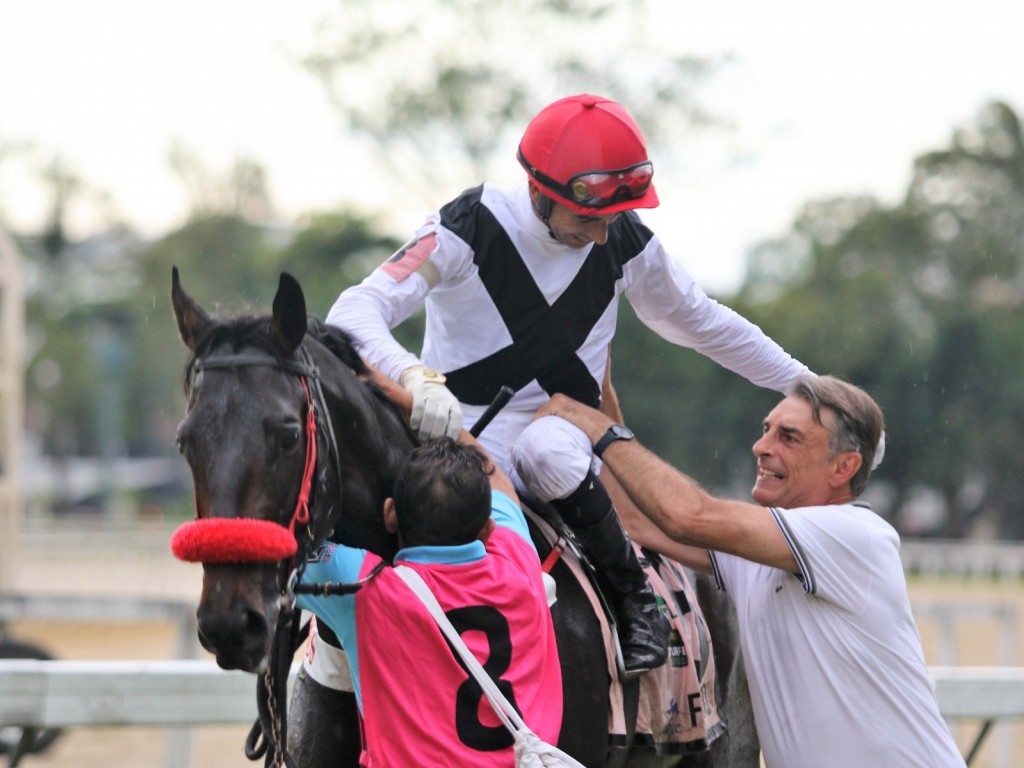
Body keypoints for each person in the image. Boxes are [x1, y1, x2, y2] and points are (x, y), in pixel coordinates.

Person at [327, 92, 812, 675]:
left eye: (613, 219)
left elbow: (706, 324)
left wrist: (811, 389)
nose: (604, 237)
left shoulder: (624, 239)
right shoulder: (466, 225)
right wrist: (413, 377)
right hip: (456, 435)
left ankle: (635, 601)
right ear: (539, 192)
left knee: (549, 450)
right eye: (588, 218)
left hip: (559, 429)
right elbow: (352, 311)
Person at [536, 375, 966, 768]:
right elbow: (637, 519)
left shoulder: (855, 535)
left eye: (789, 437)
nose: (762, 447)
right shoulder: (762, 553)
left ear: (844, 468)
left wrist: (595, 427)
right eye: (766, 430)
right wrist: (599, 382)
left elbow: (688, 514)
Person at [293, 433, 562, 767]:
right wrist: (451, 425)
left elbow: (269, 555)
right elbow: (500, 483)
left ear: (391, 514)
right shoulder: (520, 558)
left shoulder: (363, 587)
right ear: (487, 530)